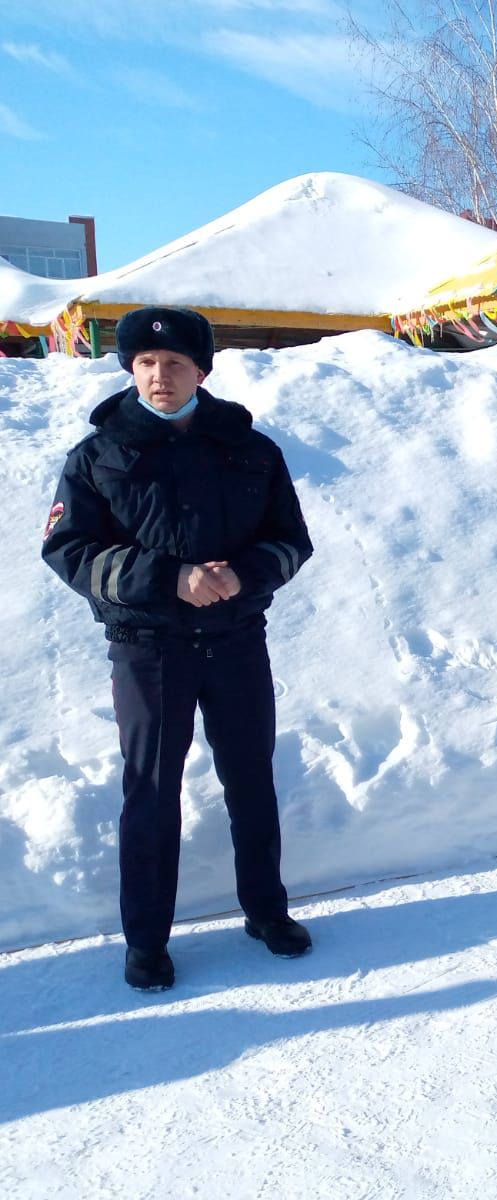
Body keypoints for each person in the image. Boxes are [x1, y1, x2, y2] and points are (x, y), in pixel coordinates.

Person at [41, 307, 315, 991]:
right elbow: (68, 550)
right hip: (148, 650)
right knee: (152, 793)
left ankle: (266, 911)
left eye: (174, 364)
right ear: (131, 370)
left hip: (236, 642)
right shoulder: (98, 455)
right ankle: (146, 941)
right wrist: (170, 580)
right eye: (146, 364)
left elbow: (291, 540)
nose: (160, 375)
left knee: (251, 780)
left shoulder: (251, 449)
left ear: (201, 370)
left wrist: (240, 577)